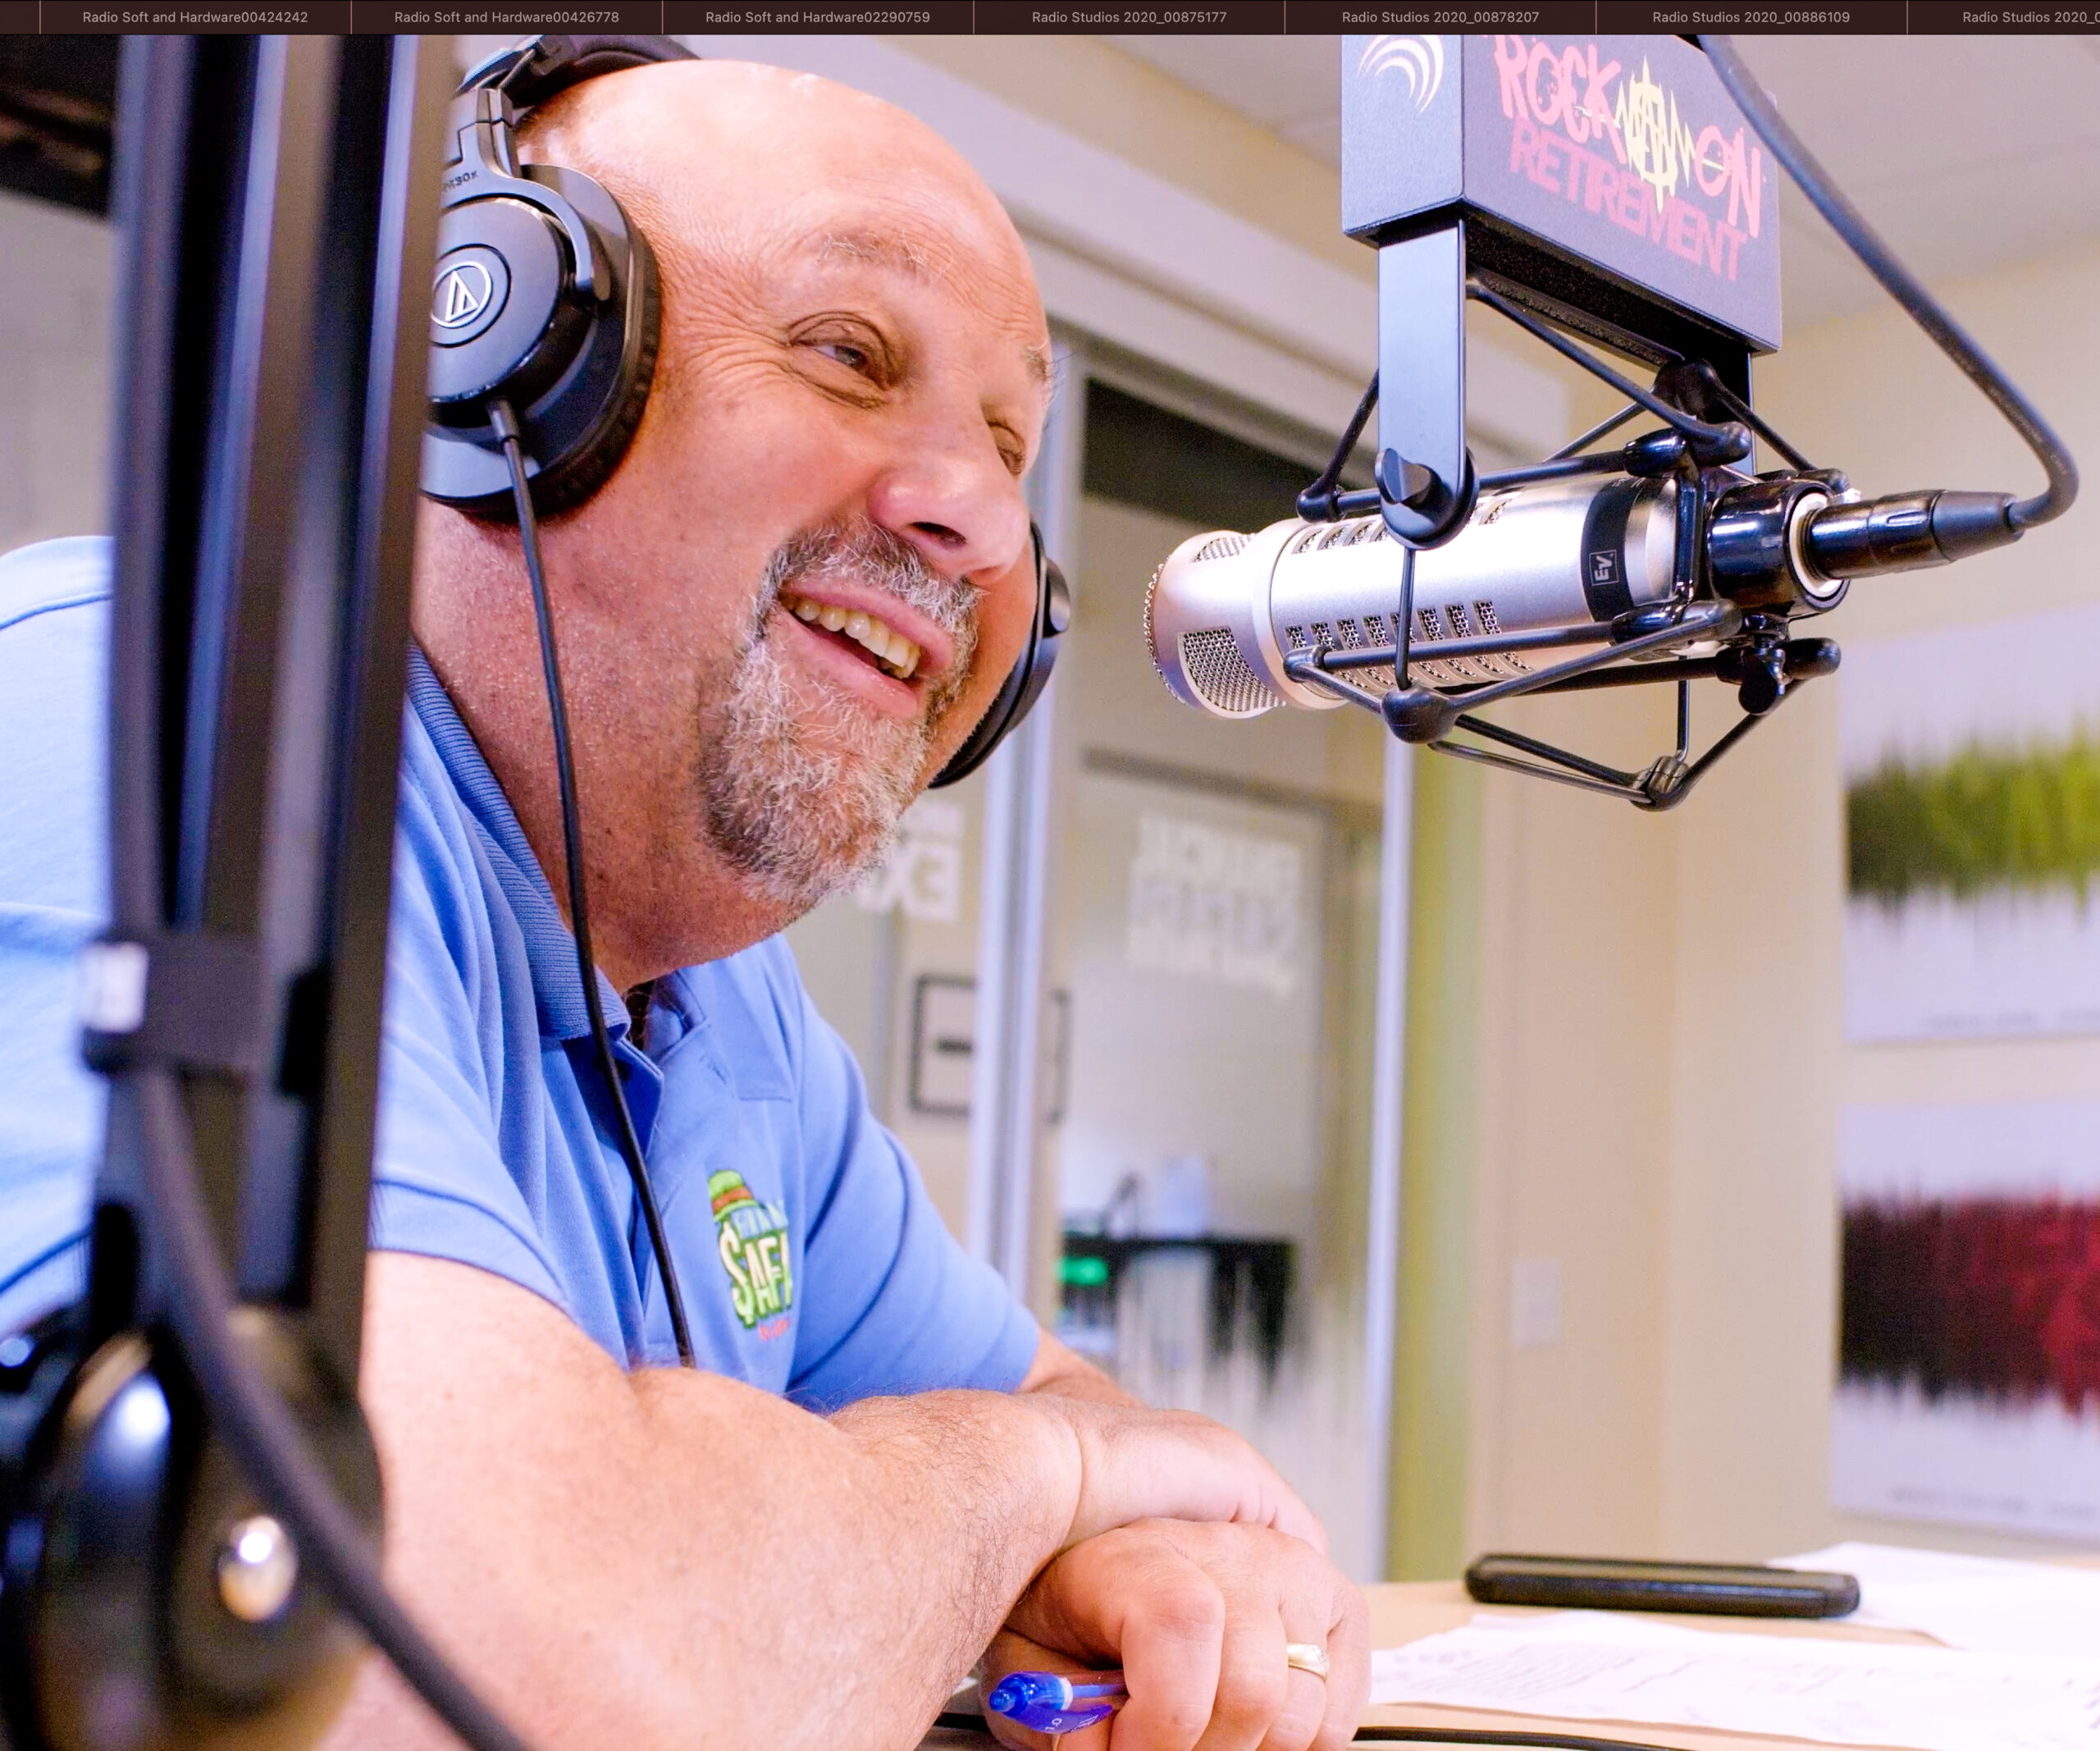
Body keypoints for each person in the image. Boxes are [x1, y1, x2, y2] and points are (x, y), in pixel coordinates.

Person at [0, 57, 1371, 1749]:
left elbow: (1058, 1407)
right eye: (849, 353)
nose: (981, 516)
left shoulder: (718, 999)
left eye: (1008, 446)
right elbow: (542, 1670)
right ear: (501, 365)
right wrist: (1046, 1479)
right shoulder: (144, 734)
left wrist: (1107, 1518)